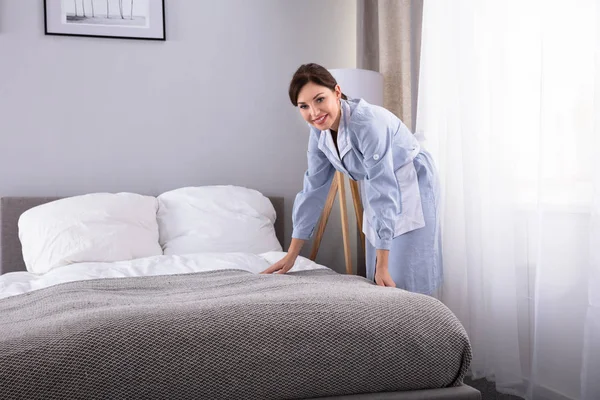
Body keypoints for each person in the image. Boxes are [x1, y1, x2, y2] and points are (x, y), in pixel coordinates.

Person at [260, 63, 442, 295]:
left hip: (410, 179)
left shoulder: (367, 124)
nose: (314, 113)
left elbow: (383, 190)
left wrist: (383, 266)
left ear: (337, 92)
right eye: (303, 106)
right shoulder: (318, 130)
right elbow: (313, 188)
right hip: (377, 183)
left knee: (404, 273)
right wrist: (292, 256)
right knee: (377, 279)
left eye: (319, 99)